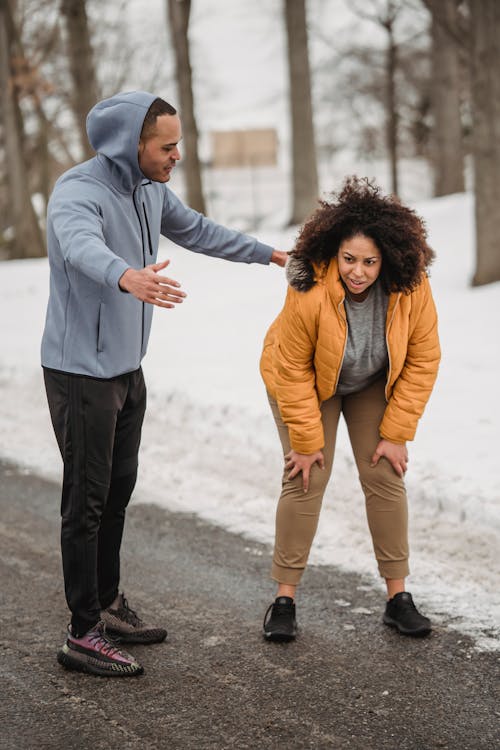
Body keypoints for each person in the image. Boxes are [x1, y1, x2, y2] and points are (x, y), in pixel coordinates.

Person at [41, 90, 287, 677]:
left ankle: (107, 603)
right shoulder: (79, 191)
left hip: (127, 368)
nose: (178, 153)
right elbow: (79, 247)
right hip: (81, 373)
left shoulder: (149, 191)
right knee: (86, 500)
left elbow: (198, 231)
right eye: (168, 145)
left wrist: (272, 255)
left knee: (119, 489)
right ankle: (82, 633)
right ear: (134, 145)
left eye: (179, 143)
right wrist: (125, 275)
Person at [259, 176, 440, 642]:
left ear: (389, 259)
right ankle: (284, 600)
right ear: (333, 252)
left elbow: (423, 359)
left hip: (368, 382)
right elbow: (293, 368)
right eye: (349, 259)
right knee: (307, 475)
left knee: (384, 471)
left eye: (370, 262)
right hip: (305, 385)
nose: (358, 271)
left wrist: (396, 431)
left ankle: (398, 599)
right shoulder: (310, 288)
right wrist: (304, 442)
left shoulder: (410, 287)